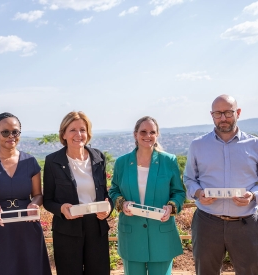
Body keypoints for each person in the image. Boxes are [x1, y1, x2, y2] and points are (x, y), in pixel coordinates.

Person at [184, 94, 258, 274]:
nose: (223, 118)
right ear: (212, 115)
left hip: (246, 224)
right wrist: (198, 193)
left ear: (238, 112)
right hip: (207, 222)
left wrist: (254, 195)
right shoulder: (198, 145)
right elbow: (189, 179)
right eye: (218, 113)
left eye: (228, 112)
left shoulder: (255, 144)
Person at [0, 112, 51, 275]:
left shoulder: (30, 162)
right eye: (5, 132)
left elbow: (38, 195)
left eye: (15, 131)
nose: (11, 136)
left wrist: (34, 203)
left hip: (27, 228)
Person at [108, 116, 185, 275]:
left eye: (152, 132)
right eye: (143, 131)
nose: (147, 135)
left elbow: (178, 192)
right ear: (135, 134)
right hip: (131, 236)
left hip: (162, 236)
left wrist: (171, 207)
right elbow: (114, 190)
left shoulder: (169, 161)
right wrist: (121, 203)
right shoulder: (122, 162)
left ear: (157, 135)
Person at [43, 111, 112, 275]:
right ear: (64, 134)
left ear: (88, 133)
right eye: (73, 129)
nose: (78, 134)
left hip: (97, 228)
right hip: (67, 230)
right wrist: (61, 209)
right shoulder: (52, 161)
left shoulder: (98, 157)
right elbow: (47, 200)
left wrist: (109, 209)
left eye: (82, 129)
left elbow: (106, 196)